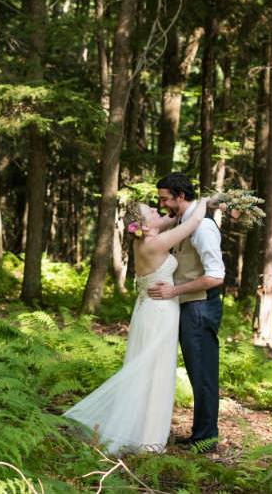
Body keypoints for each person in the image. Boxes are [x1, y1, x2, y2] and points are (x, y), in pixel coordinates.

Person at [64, 197, 209, 455]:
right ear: (143, 224)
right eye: (151, 211)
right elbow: (193, 221)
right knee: (156, 372)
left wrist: (180, 206)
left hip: (147, 311)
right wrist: (208, 200)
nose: (157, 209)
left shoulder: (143, 240)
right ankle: (149, 441)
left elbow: (174, 218)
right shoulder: (156, 243)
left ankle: (144, 433)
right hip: (160, 313)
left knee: (148, 369)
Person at [148, 173, 225, 453]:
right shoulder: (184, 219)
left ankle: (206, 440)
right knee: (196, 372)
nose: (162, 204)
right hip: (190, 307)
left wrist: (173, 292)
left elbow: (216, 276)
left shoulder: (203, 228)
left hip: (201, 307)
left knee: (203, 373)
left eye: (165, 198)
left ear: (181, 196)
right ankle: (201, 433)